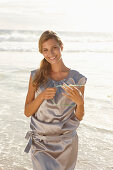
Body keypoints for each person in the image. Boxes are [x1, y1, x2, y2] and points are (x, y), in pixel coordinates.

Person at [24, 30, 87, 170]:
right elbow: (27, 112)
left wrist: (80, 102)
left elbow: (79, 116)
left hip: (67, 144)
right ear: (42, 52)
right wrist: (41, 96)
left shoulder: (77, 78)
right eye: (45, 50)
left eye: (54, 48)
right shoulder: (36, 76)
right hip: (41, 143)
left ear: (61, 47)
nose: (51, 54)